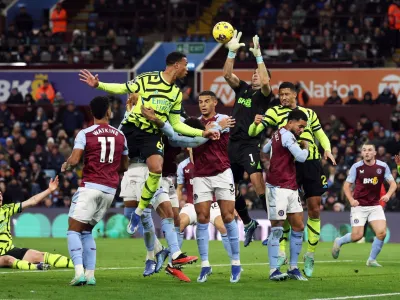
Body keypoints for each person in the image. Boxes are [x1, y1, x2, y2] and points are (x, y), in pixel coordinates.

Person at [79, 52, 218, 243]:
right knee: (113, 162)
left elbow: (177, 125)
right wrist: (98, 85)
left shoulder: (176, 94)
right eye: (185, 65)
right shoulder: (147, 79)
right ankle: (91, 195)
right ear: (176, 65)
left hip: (152, 132)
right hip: (132, 128)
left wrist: (202, 133)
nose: (187, 69)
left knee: (156, 168)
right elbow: (123, 87)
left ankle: (139, 210)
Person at [249, 81, 336, 277]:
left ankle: (310, 255)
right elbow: (254, 132)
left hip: (312, 163)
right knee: (288, 215)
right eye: (281, 94)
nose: (284, 98)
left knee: (314, 208)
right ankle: (281, 253)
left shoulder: (309, 114)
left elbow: (320, 134)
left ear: (296, 95)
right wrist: (255, 126)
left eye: (287, 94)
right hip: (291, 165)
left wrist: (327, 149)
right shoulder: (273, 113)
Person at [61, 96, 129, 286]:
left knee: (73, 230)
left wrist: (66, 165)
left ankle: (79, 273)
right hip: (109, 191)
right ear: (108, 111)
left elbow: (74, 160)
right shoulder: (120, 135)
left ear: (92, 113)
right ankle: (90, 275)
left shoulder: (85, 133)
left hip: (90, 186)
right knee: (87, 231)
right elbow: (124, 165)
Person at [223, 32, 272, 247]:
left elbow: (266, 82)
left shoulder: (264, 94)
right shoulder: (242, 88)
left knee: (257, 184)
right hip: (232, 144)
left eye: (257, 74)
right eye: (253, 73)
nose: (254, 76)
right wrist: (232, 52)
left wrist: (259, 57)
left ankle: (276, 226)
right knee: (228, 188)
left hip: (250, 144)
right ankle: (248, 223)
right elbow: (227, 74)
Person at [190, 91, 241, 283]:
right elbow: (195, 138)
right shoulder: (194, 122)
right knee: (202, 218)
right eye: (200, 101)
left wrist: (214, 127)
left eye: (206, 101)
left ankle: (235, 264)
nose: (203, 104)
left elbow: (216, 130)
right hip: (201, 175)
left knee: (228, 217)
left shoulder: (223, 118)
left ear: (214, 102)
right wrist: (209, 129)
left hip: (221, 172)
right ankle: (205, 265)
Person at [262, 110, 309, 281]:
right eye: (300, 126)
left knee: (298, 226)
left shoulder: (277, 134)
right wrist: (307, 148)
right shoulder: (288, 136)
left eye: (304, 127)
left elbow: (265, 148)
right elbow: (301, 158)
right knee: (277, 228)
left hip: (290, 186)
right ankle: (274, 270)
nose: (302, 130)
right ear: (291, 122)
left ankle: (293, 268)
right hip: (277, 187)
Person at [332, 144, 397, 266]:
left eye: (369, 150)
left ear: (375, 153)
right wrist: (351, 200)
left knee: (382, 232)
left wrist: (388, 195)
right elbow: (346, 186)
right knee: (357, 236)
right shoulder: (356, 167)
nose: (367, 152)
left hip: (374, 205)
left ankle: (371, 260)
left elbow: (393, 184)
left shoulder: (382, 166)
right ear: (362, 153)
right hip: (359, 206)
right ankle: (339, 241)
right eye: (364, 150)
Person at [0, 176, 73, 271]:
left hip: (9, 250)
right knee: (8, 259)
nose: (0, 197)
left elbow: (32, 201)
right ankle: (36, 267)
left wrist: (49, 190)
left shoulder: (6, 209)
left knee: (38, 255)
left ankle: (77, 264)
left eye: (0, 194)